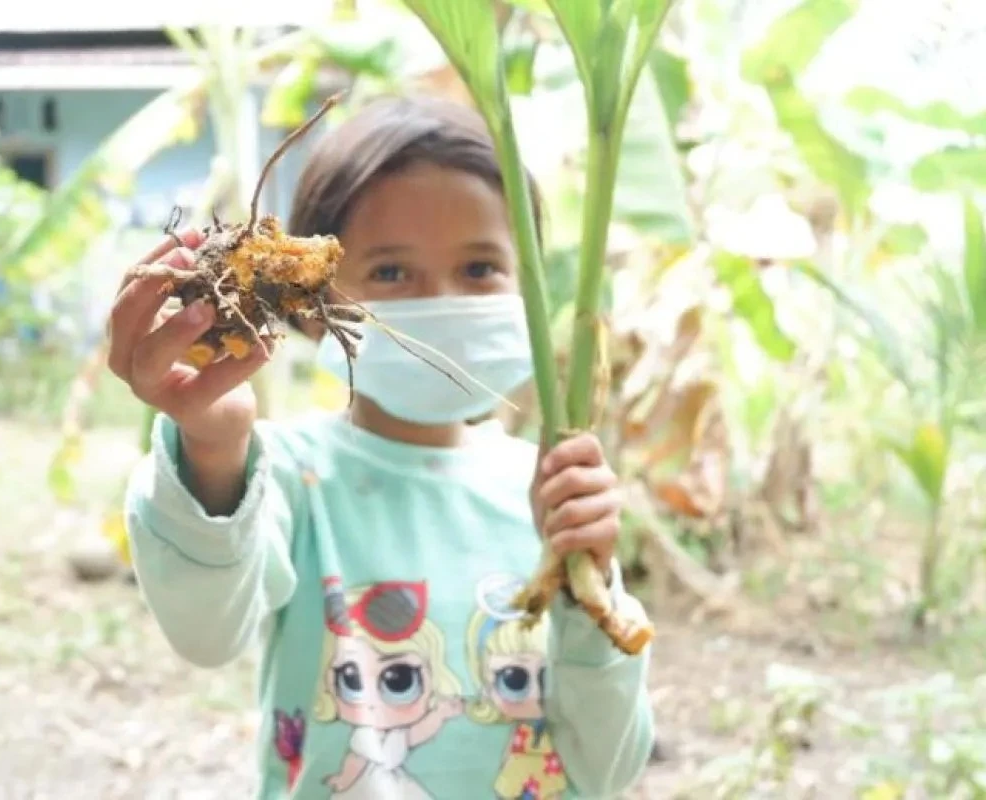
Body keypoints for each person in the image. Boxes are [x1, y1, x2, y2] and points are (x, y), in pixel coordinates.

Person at [108, 95, 654, 799]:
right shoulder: (286, 478)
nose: (443, 301)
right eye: (392, 273)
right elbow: (206, 633)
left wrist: (592, 590)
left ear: (530, 283)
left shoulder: (555, 493)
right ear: (309, 298)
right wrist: (212, 448)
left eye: (481, 268)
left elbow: (609, 769)